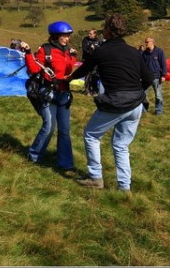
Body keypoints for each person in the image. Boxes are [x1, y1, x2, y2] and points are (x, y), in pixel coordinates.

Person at [66, 13, 151, 191]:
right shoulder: (134, 52)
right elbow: (148, 78)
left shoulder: (101, 51)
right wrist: (135, 93)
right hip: (136, 104)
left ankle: (95, 178)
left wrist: (69, 78)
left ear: (108, 31)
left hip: (116, 102)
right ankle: (124, 187)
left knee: (91, 135)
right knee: (121, 145)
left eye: (104, 27)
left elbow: (85, 70)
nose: (101, 31)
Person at [20, 21, 78, 177]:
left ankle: (65, 164)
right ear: (56, 36)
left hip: (64, 95)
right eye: (64, 36)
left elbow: (69, 69)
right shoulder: (46, 50)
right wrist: (28, 53)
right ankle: (34, 156)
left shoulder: (69, 52)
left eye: (68, 36)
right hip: (49, 93)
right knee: (49, 126)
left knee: (64, 130)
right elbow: (34, 69)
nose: (67, 38)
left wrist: (73, 57)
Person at [141, 36, 167, 115]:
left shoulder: (159, 51)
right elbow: (142, 66)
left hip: (156, 77)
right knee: (142, 95)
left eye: (147, 42)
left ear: (152, 42)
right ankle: (144, 110)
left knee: (158, 95)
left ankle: (158, 111)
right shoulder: (144, 53)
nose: (146, 44)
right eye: (145, 42)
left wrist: (163, 75)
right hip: (146, 78)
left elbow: (163, 64)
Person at [81, 28, 102, 96]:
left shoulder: (98, 41)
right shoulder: (85, 40)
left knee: (95, 75)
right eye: (89, 33)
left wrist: (95, 48)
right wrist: (91, 49)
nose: (89, 35)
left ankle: (95, 90)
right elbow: (85, 49)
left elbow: (101, 50)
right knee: (87, 74)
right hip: (87, 59)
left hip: (95, 61)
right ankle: (87, 90)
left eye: (91, 34)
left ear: (95, 34)